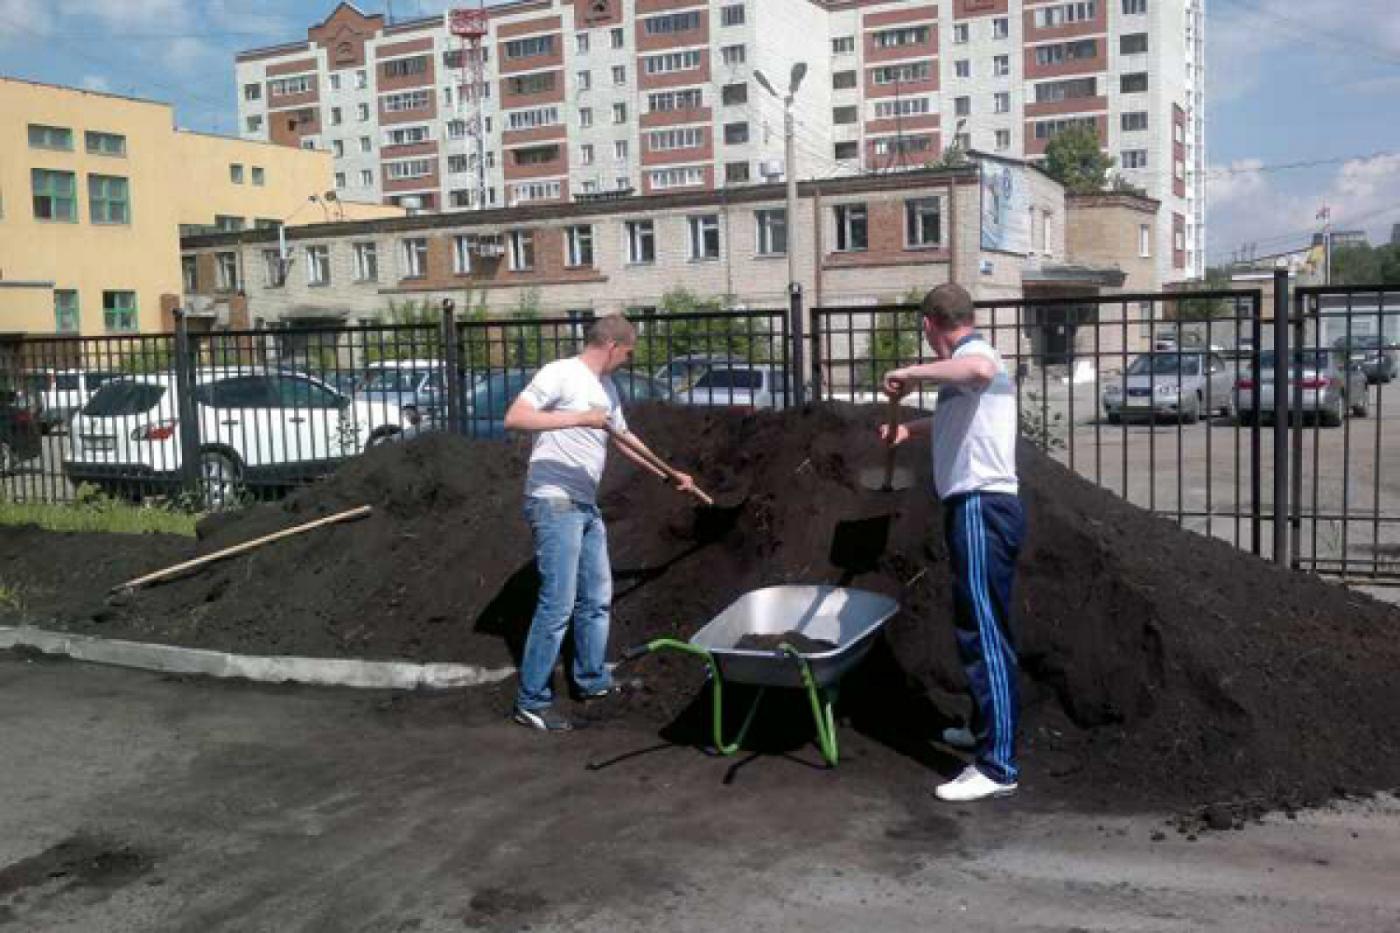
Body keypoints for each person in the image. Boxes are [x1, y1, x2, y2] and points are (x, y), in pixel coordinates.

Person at [503, 314, 694, 732]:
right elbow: (515, 417)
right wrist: (577, 418)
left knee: (596, 597)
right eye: (628, 353)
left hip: (585, 505)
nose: (628, 360)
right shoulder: (561, 373)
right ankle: (531, 701)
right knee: (558, 603)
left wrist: (668, 474)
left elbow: (625, 439)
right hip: (554, 501)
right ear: (611, 346)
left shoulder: (607, 388)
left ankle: (591, 681)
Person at [880, 283, 1026, 802]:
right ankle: (988, 732)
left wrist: (910, 372)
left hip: (981, 506)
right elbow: (959, 412)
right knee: (977, 623)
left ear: (929, 325)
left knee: (983, 630)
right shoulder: (968, 365)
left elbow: (978, 372)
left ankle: (997, 765)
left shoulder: (977, 355)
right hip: (976, 507)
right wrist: (909, 432)